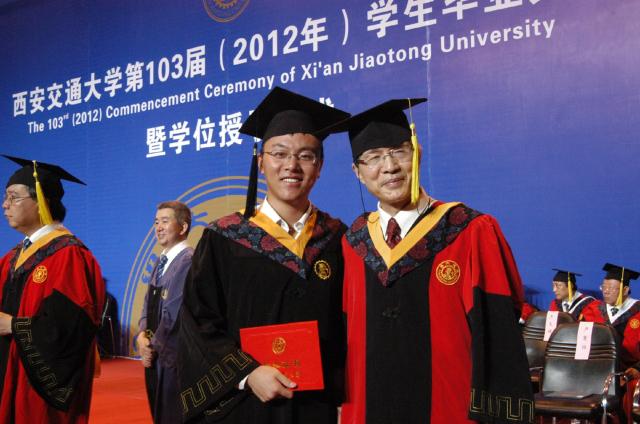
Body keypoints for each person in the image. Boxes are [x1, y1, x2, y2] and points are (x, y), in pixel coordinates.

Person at [325, 99, 534, 423]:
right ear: (358, 173)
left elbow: (499, 337)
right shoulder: (352, 243)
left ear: (417, 152)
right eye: (374, 157)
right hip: (369, 410)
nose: (389, 166)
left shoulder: (469, 230)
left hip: (449, 409)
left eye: (399, 151)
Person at [177, 87, 350, 423]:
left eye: (305, 156)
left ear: (319, 166)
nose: (292, 166)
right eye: (279, 154)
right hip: (246, 405)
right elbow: (198, 321)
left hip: (317, 407)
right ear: (260, 162)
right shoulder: (225, 238)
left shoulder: (337, 238)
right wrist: (247, 373)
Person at [0, 155, 105, 423]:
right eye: (5, 197)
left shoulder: (68, 255)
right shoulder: (12, 258)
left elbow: (73, 327)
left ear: (41, 202)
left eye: (13, 197)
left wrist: (14, 326)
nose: (5, 205)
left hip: (37, 389)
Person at [136, 201, 193, 423]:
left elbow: (174, 314)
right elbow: (147, 302)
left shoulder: (187, 261)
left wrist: (151, 347)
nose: (158, 227)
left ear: (183, 227)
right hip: (155, 353)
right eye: (156, 222)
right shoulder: (161, 260)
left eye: (165, 221)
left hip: (172, 357)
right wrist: (141, 336)